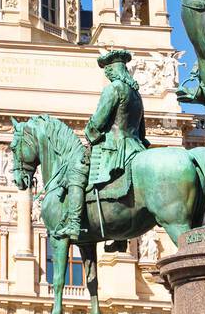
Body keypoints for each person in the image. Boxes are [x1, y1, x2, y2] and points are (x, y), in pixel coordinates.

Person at [57, 48, 148, 240]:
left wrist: (90, 133)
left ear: (113, 71)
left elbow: (99, 120)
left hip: (113, 148)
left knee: (77, 172)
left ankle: (74, 223)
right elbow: (141, 128)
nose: (106, 74)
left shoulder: (114, 88)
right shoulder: (135, 93)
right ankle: (119, 239)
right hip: (136, 146)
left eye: (108, 71)